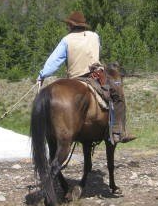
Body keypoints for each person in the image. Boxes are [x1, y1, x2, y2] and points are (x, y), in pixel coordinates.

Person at [37, 11, 134, 143]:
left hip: (75, 77)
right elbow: (97, 50)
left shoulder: (66, 40)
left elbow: (55, 61)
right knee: (118, 95)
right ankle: (118, 131)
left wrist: (42, 75)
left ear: (71, 25)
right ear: (83, 25)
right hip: (96, 76)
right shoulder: (94, 36)